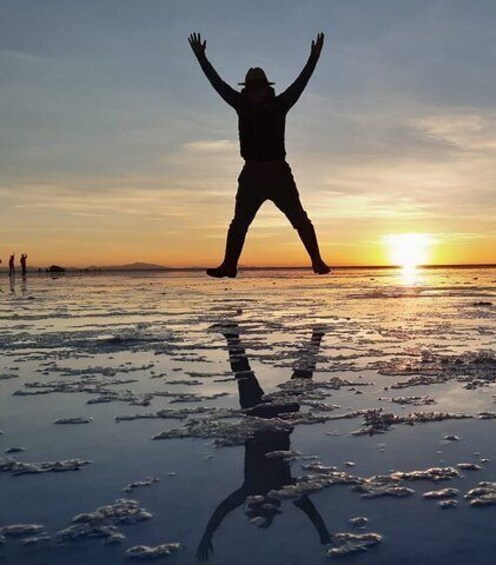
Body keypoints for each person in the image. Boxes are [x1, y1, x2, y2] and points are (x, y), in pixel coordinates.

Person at [188, 32, 331, 278]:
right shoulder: (240, 104)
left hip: (278, 173)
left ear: (266, 89)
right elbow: (217, 83)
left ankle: (317, 260)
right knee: (239, 223)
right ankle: (229, 265)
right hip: (251, 173)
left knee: (299, 219)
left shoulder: (280, 105)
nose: (255, 92)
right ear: (247, 90)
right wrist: (202, 58)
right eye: (251, 88)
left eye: (258, 88)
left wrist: (313, 58)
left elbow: (301, 83)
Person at [197, 323, 332, 561]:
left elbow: (224, 509)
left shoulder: (257, 489)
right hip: (275, 422)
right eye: (255, 509)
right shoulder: (277, 489)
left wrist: (208, 534)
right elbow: (309, 510)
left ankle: (234, 334)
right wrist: (323, 533)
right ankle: (313, 336)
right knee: (258, 376)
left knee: (255, 376)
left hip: (264, 420)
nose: (252, 506)